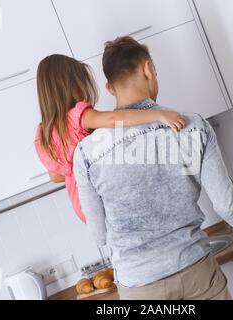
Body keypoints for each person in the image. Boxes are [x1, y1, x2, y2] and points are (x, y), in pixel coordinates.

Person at [73, 37, 233, 300]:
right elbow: (228, 205)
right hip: (196, 271)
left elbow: (99, 234)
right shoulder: (191, 128)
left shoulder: (86, 153)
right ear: (147, 69)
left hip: (139, 286)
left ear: (110, 89)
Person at [34, 54, 187, 223]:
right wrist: (159, 114)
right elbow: (114, 120)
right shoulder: (78, 116)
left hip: (83, 207)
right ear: (71, 86)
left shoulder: (43, 132)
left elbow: (55, 177)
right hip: (103, 198)